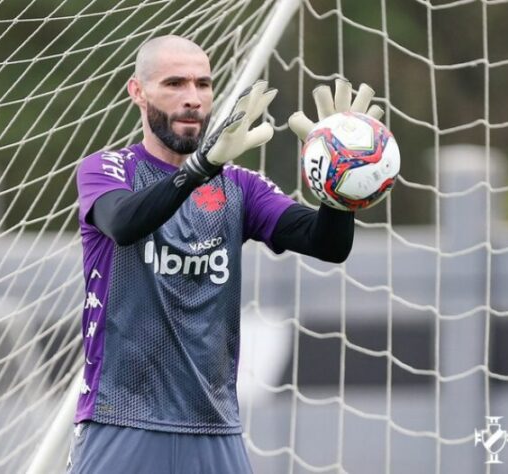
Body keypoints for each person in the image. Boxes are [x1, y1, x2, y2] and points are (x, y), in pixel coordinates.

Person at [68, 35, 384, 474]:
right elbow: (124, 224)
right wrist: (201, 169)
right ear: (137, 92)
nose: (193, 98)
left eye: (203, 84)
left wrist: (339, 178)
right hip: (121, 423)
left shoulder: (238, 186)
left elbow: (328, 245)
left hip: (215, 431)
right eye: (175, 84)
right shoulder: (108, 169)